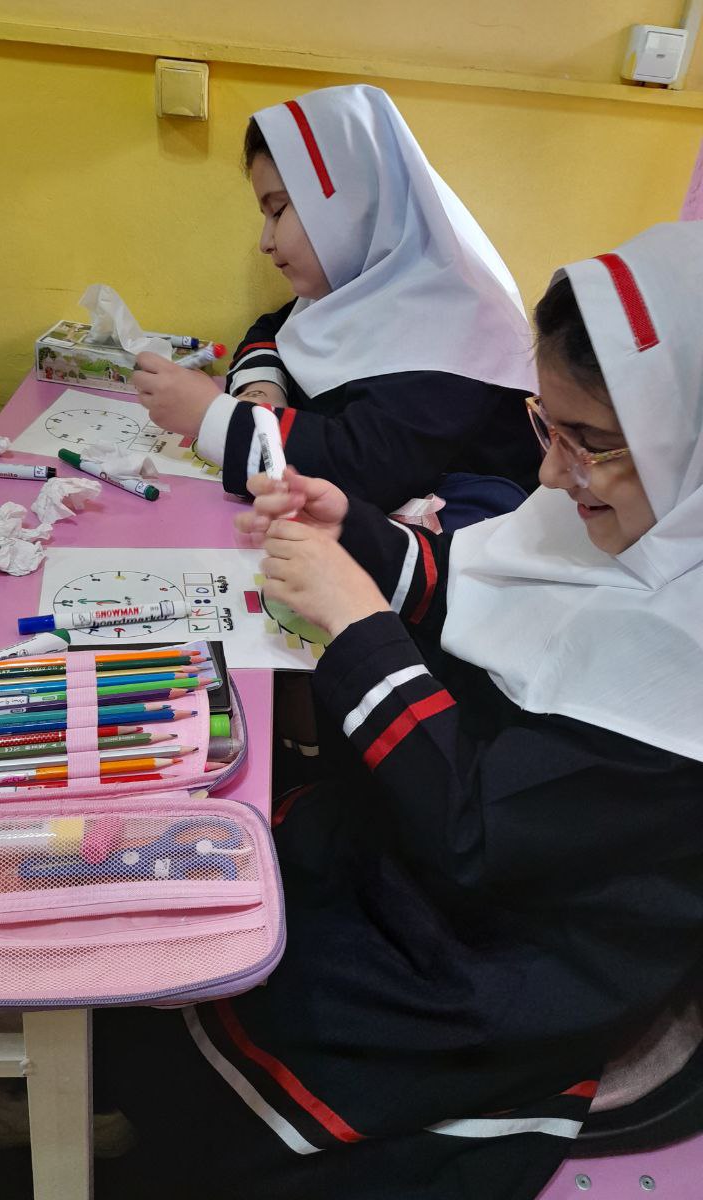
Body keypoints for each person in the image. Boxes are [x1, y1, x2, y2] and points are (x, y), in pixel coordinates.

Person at [95, 221, 703, 1200]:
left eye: (589, 441)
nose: (553, 473)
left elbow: (480, 837)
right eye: (548, 427)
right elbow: (484, 578)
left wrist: (356, 622)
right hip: (459, 836)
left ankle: (131, 1121)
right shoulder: (642, 505)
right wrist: (355, 531)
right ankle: (111, 1086)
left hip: (532, 932)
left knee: (295, 980)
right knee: (244, 872)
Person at [131, 84, 540, 517]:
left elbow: (365, 469)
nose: (266, 242)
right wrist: (261, 391)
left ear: (349, 202)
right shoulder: (364, 284)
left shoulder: (461, 322)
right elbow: (273, 330)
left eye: (278, 210)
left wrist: (212, 416)